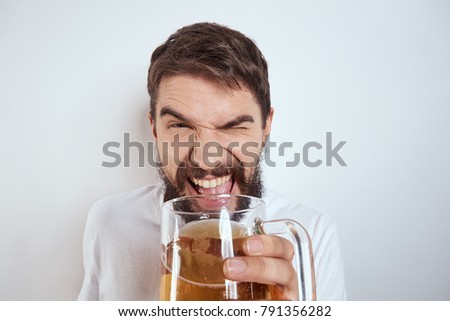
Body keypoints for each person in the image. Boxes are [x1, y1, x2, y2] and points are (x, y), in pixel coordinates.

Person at [78, 22, 346, 300]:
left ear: (266, 126)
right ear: (155, 129)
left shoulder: (312, 233)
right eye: (180, 127)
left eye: (233, 126)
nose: (207, 158)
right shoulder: (109, 221)